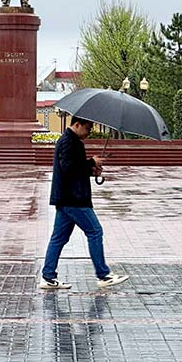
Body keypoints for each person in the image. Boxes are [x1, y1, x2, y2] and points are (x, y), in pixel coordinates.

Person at [40, 116, 128, 289]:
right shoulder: (68, 142)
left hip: (66, 198)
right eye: (87, 128)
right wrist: (90, 162)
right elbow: (68, 168)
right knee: (95, 231)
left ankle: (48, 276)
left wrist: (91, 169)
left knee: (59, 238)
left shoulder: (72, 141)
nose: (89, 132)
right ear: (77, 124)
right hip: (74, 199)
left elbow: (74, 168)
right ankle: (103, 275)